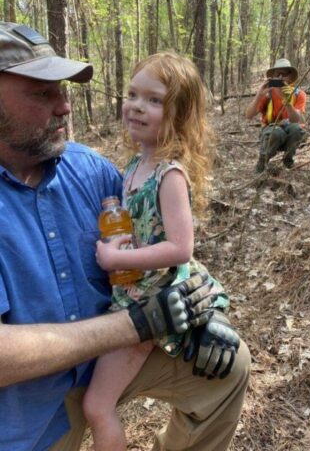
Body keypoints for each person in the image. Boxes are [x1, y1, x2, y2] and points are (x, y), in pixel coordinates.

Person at [0, 21, 251, 451]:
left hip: (109, 360)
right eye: (43, 93)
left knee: (229, 368)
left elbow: (162, 238)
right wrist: (136, 323)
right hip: (26, 409)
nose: (64, 107)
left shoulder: (90, 170)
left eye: (63, 90)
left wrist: (208, 309)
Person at [82, 52, 232, 451]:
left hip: (148, 307)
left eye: (153, 99)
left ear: (178, 114)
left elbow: (181, 248)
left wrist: (117, 259)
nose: (136, 106)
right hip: (128, 294)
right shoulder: (135, 165)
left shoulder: (170, 174)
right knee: (96, 403)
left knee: (98, 407)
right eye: (132, 94)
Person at [245, 58, 307, 173]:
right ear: (272, 77)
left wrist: (287, 102)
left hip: (289, 132)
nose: (280, 78)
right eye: (277, 74)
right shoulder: (267, 93)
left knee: (296, 129)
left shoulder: (299, 94)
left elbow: (296, 120)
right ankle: (262, 162)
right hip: (271, 131)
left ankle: (288, 161)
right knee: (276, 132)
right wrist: (259, 94)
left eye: (284, 74)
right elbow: (248, 115)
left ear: (290, 77)